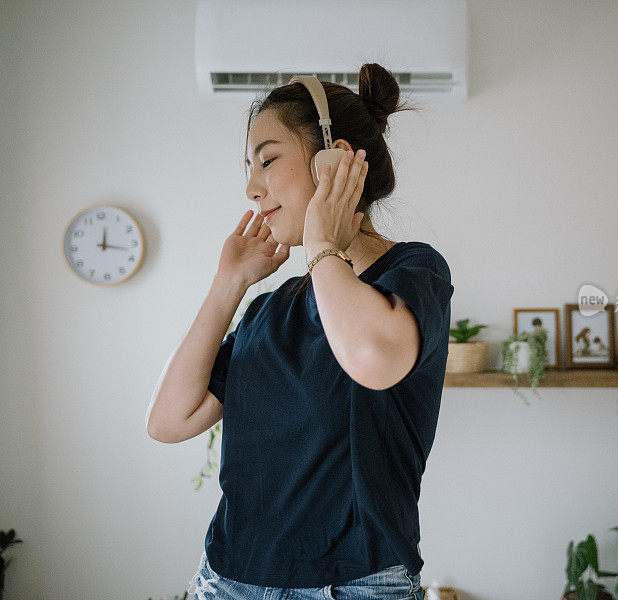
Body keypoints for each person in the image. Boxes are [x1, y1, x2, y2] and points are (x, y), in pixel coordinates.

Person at [146, 63, 454, 600]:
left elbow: (372, 359)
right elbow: (169, 421)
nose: (250, 187)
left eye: (267, 159)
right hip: (228, 579)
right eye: (249, 166)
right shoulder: (269, 310)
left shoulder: (415, 271)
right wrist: (229, 283)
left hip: (355, 584)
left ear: (335, 160)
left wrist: (322, 245)